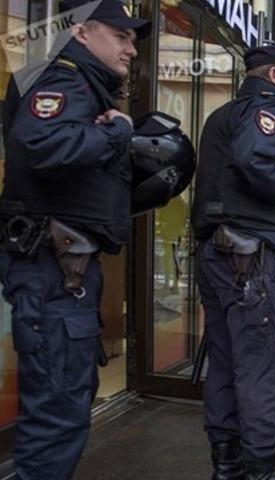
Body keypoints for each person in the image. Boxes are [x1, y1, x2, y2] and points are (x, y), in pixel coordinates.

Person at [0, 2, 150, 478]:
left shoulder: (84, 85)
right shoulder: (64, 79)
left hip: (63, 272)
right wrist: (116, 137)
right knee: (56, 418)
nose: (131, 47)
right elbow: (38, 144)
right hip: (52, 272)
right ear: (83, 32)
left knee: (64, 404)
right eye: (121, 36)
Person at [191, 43, 275, 480]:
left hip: (221, 256)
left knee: (225, 364)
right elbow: (257, 164)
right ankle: (261, 471)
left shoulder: (222, 116)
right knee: (264, 366)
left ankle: (228, 467)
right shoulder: (267, 109)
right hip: (252, 262)